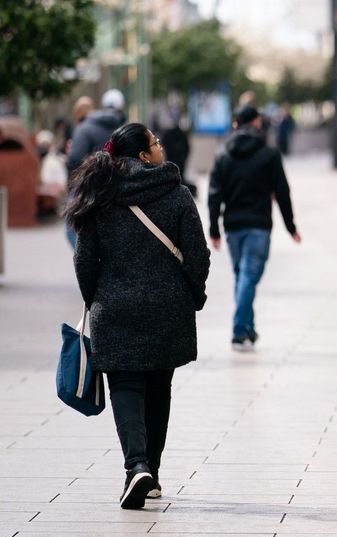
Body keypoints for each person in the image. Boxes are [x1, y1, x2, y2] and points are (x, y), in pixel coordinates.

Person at [68, 122, 210, 509]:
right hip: (168, 307)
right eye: (155, 142)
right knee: (159, 387)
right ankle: (153, 474)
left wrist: (95, 297)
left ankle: (137, 466)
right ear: (145, 156)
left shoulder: (100, 194)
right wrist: (193, 295)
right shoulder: (176, 194)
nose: (161, 146)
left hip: (115, 308)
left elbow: (84, 258)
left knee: (126, 386)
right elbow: (197, 254)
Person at [208, 105, 301, 352]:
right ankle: (239, 331)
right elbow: (282, 191)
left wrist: (214, 228)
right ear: (257, 123)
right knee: (248, 277)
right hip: (259, 224)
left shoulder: (223, 154)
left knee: (242, 276)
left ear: (236, 124)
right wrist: (291, 226)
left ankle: (248, 327)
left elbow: (214, 194)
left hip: (233, 226)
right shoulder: (268, 153)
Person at [66, 91, 126, 249]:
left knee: (71, 227)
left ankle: (89, 262)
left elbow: (74, 159)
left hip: (87, 186)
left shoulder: (84, 128)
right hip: (119, 186)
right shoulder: (125, 128)